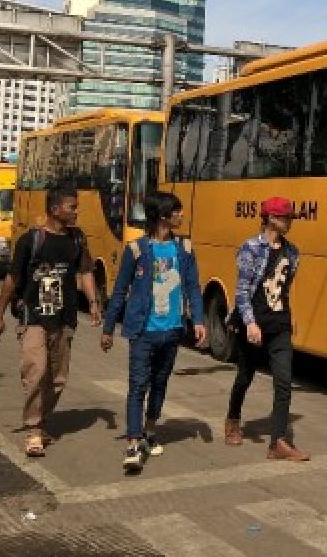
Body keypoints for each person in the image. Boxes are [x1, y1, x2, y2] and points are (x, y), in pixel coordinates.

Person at [0, 186, 102, 457]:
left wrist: (94, 302)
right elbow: (12, 280)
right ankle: (34, 428)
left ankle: (42, 417)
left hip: (65, 318)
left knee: (58, 378)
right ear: (54, 210)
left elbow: (85, 271)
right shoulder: (31, 240)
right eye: (71, 207)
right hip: (34, 316)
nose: (76, 211)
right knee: (35, 370)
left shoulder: (77, 239)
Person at [101, 192, 207, 473]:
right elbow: (120, 290)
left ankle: (149, 430)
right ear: (162, 216)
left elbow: (193, 287)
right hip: (143, 332)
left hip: (172, 331)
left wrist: (199, 319)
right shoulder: (136, 250)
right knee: (138, 385)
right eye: (177, 211)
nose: (181, 216)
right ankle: (134, 442)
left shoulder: (184, 249)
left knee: (160, 384)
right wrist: (109, 328)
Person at [223, 196, 309, 462]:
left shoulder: (292, 252)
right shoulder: (250, 249)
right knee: (245, 376)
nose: (290, 221)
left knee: (284, 382)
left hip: (279, 325)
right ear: (271, 218)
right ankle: (233, 419)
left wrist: (286, 315)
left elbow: (283, 288)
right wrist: (250, 323)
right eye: (285, 217)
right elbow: (242, 292)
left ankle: (278, 442)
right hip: (254, 325)